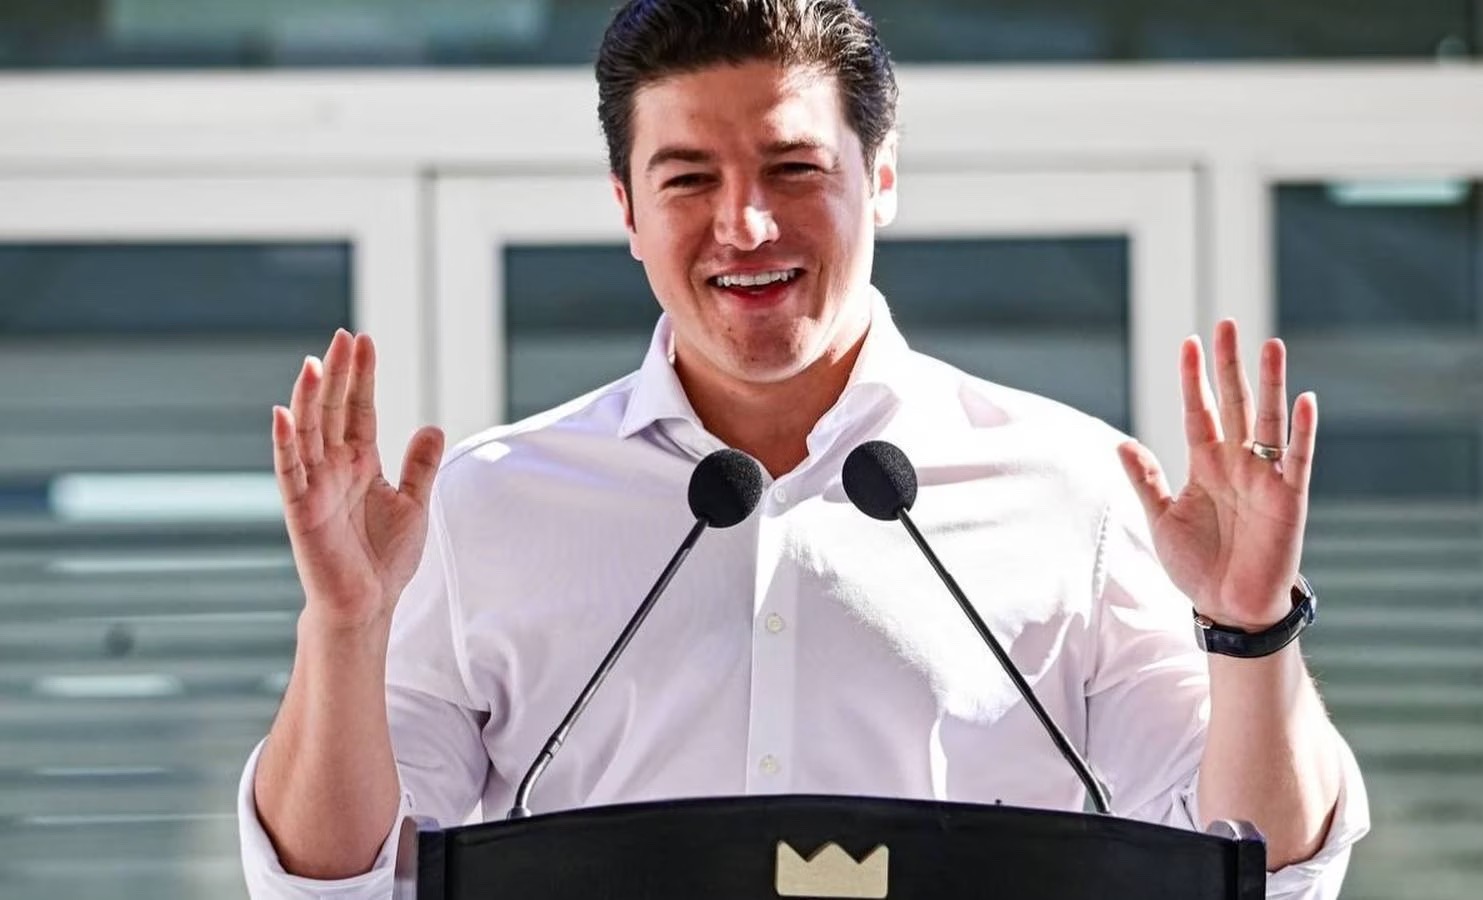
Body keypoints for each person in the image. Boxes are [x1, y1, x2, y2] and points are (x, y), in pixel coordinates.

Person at [239, 1, 1369, 897]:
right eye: (689, 179)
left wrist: (1252, 630)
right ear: (627, 210)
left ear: (882, 177)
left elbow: (1265, 873)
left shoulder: (1077, 490)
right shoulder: (483, 507)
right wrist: (343, 627)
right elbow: (329, 886)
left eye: (793, 169)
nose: (745, 225)